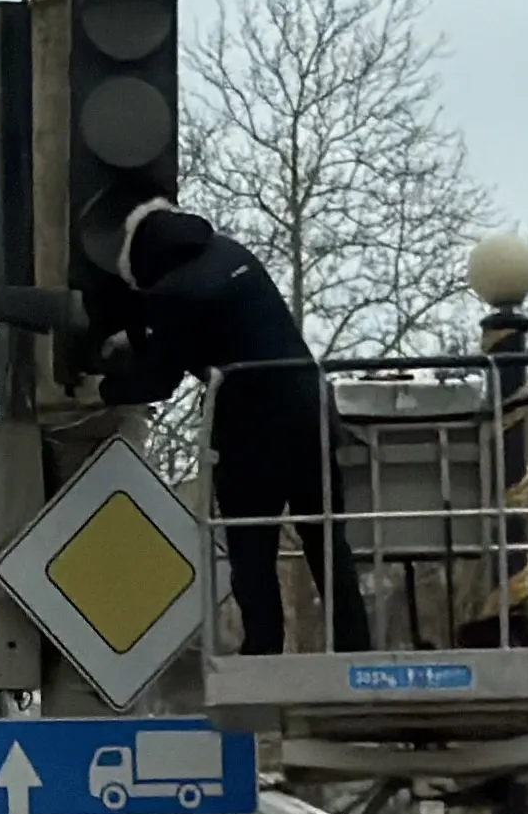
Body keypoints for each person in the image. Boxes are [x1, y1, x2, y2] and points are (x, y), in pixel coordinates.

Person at [90, 200, 370, 655]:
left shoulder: (173, 295)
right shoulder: (230, 252)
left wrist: (105, 388)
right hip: (310, 408)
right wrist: (143, 332)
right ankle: (355, 646)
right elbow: (214, 326)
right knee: (325, 538)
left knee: (251, 545)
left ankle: (264, 651)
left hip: (252, 428)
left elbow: (158, 381)